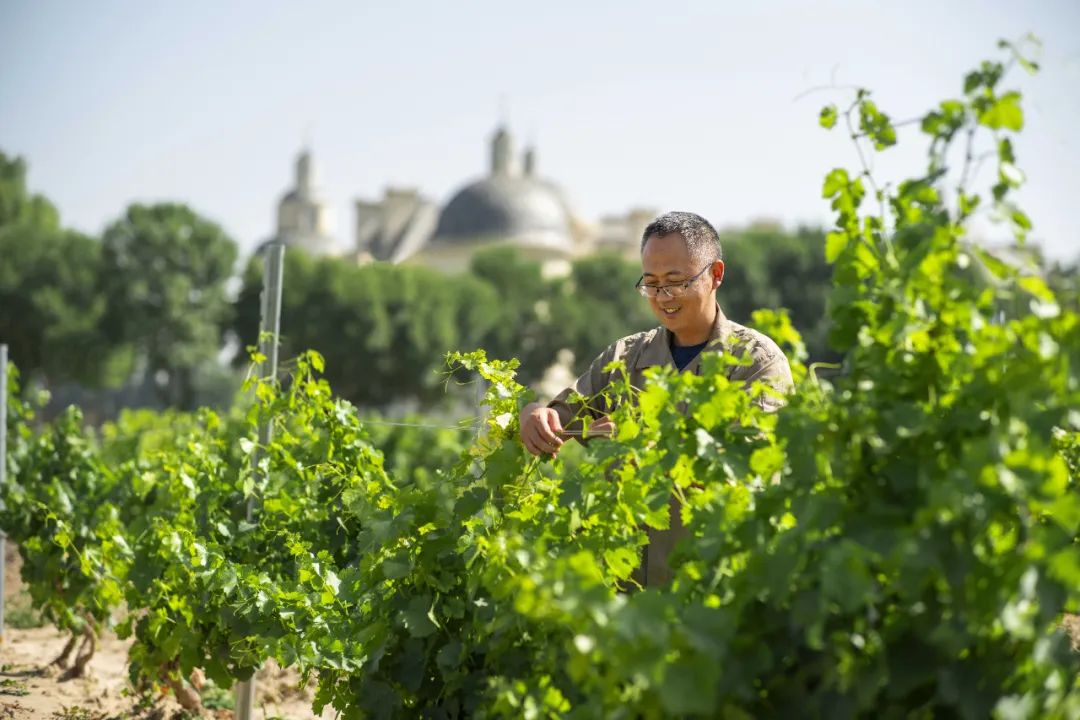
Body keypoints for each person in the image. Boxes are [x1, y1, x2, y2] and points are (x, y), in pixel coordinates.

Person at [518, 211, 794, 586]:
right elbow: (561, 414)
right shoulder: (625, 358)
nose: (663, 297)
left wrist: (644, 445)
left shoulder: (756, 364)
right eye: (651, 284)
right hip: (624, 598)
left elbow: (750, 467)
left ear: (716, 275)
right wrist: (536, 414)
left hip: (715, 593)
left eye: (676, 282)